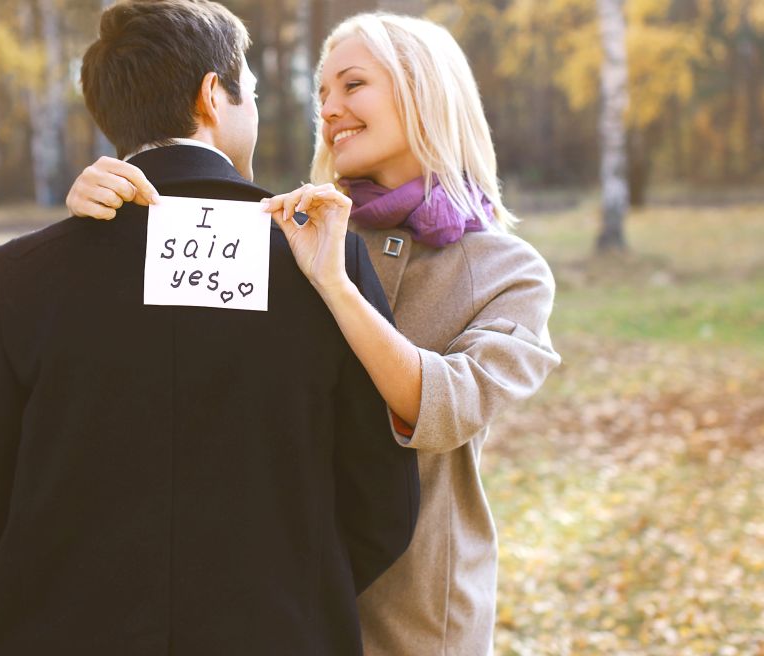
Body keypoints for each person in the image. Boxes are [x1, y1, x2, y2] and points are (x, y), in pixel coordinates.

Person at [65, 11, 561, 656]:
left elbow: (445, 408)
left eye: (353, 85)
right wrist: (108, 203)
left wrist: (336, 284)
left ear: (424, 90)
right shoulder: (285, 231)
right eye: (321, 93)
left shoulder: (507, 270)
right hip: (275, 606)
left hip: (412, 614)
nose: (328, 109)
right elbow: (174, 347)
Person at [0, 2, 421, 654]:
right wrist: (292, 592)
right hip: (277, 630)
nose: (255, 109)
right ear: (212, 96)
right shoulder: (326, 264)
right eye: (250, 91)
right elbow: (383, 507)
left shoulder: (20, 274)